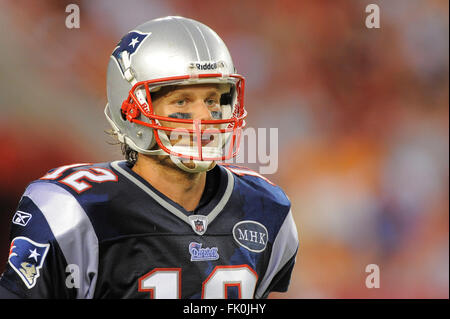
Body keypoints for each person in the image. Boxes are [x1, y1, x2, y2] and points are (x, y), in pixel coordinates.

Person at [0, 16, 298, 299]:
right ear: (132, 110)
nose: (205, 117)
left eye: (213, 99)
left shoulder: (265, 207)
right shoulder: (76, 211)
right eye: (182, 101)